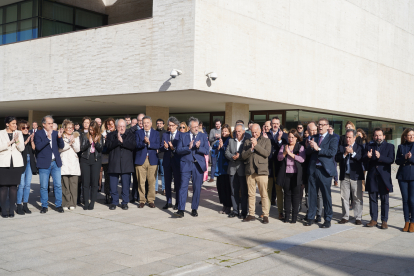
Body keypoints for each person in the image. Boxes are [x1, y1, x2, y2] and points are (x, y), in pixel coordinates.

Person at [305, 118, 338, 228]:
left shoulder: (333, 138)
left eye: (322, 125)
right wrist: (309, 146)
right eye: (318, 125)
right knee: (312, 194)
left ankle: (327, 218)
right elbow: (308, 153)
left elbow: (331, 152)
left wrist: (318, 148)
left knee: (326, 196)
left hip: (325, 171)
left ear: (327, 126)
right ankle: (310, 217)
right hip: (313, 169)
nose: (319, 127)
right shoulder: (313, 137)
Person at [174, 117, 209, 218]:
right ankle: (181, 210)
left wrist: (199, 147)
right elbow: (178, 150)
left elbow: (206, 150)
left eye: (197, 127)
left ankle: (194, 208)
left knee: (197, 188)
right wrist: (188, 148)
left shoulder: (203, 136)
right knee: (183, 187)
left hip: (198, 165)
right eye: (194, 127)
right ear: (189, 127)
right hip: (186, 164)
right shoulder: (182, 136)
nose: (196, 129)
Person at [364, 128, 395, 229]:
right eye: (376, 136)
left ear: (384, 136)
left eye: (380, 135)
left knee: (384, 199)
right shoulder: (369, 146)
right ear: (373, 137)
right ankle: (373, 219)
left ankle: (384, 221)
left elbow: (391, 159)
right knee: (372, 199)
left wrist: (380, 157)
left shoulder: (390, 146)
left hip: (384, 177)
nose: (378, 137)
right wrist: (368, 157)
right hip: (372, 176)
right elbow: (364, 160)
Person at [241, 124, 271, 223]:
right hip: (250, 171)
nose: (254, 134)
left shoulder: (266, 140)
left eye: (256, 132)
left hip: (262, 171)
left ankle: (265, 215)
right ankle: (251, 214)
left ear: (260, 130)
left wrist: (256, 145)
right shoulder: (247, 141)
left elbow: (266, 153)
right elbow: (243, 156)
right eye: (252, 132)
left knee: (263, 194)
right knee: (251, 194)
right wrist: (251, 149)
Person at [34, 115, 65, 214]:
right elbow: (38, 147)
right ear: (43, 124)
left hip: (55, 162)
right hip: (44, 163)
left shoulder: (56, 133)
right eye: (49, 123)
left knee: (58, 185)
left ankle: (59, 205)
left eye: (52, 123)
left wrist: (59, 137)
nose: (51, 125)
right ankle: (44, 206)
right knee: (43, 186)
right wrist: (47, 138)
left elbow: (62, 146)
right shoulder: (38, 133)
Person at [335, 129, 364, 225]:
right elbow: (336, 158)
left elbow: (362, 159)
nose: (347, 139)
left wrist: (353, 153)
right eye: (346, 137)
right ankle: (345, 216)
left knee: (357, 197)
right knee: (344, 197)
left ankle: (358, 217)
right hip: (345, 175)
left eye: (350, 137)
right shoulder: (341, 147)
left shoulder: (359, 147)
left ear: (354, 138)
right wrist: (345, 154)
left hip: (356, 176)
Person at [106, 119, 136, 210]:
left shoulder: (130, 135)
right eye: (120, 126)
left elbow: (133, 146)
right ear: (116, 127)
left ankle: (124, 202)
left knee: (126, 185)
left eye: (123, 126)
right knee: (113, 185)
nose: (122, 128)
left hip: (126, 164)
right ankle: (114, 202)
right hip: (114, 164)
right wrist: (117, 141)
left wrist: (122, 141)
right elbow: (108, 146)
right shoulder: (111, 135)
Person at [277, 129, 305, 224]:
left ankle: (294, 217)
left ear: (296, 138)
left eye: (293, 137)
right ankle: (287, 216)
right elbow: (279, 158)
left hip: (296, 175)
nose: (291, 139)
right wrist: (285, 153)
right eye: (289, 137)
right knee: (287, 195)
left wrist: (290, 154)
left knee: (296, 196)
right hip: (286, 174)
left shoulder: (300, 147)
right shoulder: (284, 146)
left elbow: (301, 159)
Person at [0, 117, 25, 218]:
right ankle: (3, 210)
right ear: (7, 124)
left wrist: (17, 140)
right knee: (3, 187)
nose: (15, 125)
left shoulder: (19, 133)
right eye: (13, 123)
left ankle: (11, 209)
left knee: (14, 187)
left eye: (16, 123)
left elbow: (21, 148)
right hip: (3, 163)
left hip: (16, 164)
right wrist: (10, 142)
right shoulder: (0, 133)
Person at [135, 116, 159, 208]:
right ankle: (142, 200)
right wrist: (144, 143)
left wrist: (149, 143)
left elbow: (158, 145)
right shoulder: (138, 133)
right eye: (144, 122)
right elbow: (136, 145)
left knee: (152, 181)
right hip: (141, 160)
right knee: (141, 181)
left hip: (152, 160)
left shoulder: (156, 133)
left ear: (151, 123)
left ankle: (151, 200)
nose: (146, 124)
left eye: (147, 122)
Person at [225, 124, 248, 219]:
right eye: (236, 131)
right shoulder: (231, 141)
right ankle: (235, 211)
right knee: (233, 191)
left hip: (242, 169)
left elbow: (248, 154)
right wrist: (232, 157)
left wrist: (240, 156)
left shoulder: (246, 142)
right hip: (232, 169)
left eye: (239, 131)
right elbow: (226, 152)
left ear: (243, 131)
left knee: (243, 192)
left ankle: (244, 212)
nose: (237, 133)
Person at [267, 116, 288, 219]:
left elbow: (285, 148)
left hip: (279, 167)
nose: (275, 125)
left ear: (279, 125)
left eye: (277, 123)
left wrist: (279, 140)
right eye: (273, 123)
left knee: (279, 190)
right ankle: (265, 212)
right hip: (268, 166)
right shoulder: (266, 135)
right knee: (268, 190)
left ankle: (280, 212)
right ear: (271, 124)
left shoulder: (285, 135)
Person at [79, 121, 103, 210]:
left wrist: (96, 142)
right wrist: (89, 143)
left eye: (93, 130)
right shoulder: (84, 136)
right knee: (85, 182)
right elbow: (81, 148)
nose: (91, 132)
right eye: (90, 130)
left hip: (96, 160)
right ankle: (86, 202)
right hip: (85, 160)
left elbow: (101, 149)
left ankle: (92, 202)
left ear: (96, 130)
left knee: (94, 182)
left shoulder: (100, 137)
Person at [302, 122, 323, 221]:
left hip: (319, 169)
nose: (314, 132)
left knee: (318, 194)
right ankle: (310, 212)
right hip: (308, 170)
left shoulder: (321, 140)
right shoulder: (304, 141)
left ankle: (318, 214)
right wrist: (307, 147)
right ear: (308, 131)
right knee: (308, 193)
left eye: (315, 130)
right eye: (311, 130)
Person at [15, 120, 37, 215]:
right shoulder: (18, 136)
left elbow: (34, 149)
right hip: (21, 162)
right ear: (20, 128)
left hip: (30, 161)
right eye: (23, 128)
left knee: (28, 185)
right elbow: (19, 149)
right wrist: (26, 141)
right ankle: (19, 205)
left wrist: (31, 141)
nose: (26, 129)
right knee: (21, 185)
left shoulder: (31, 136)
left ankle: (25, 204)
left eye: (27, 127)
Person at [160, 117, 182, 209]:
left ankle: (177, 203)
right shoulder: (165, 135)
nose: (171, 127)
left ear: (176, 126)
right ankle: (168, 202)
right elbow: (160, 147)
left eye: (172, 125)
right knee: (167, 182)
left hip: (177, 162)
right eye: (169, 125)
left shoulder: (181, 135)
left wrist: (173, 148)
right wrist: (165, 147)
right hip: (167, 162)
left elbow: (182, 149)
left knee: (177, 184)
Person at [59, 119, 80, 211]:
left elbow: (78, 149)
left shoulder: (76, 136)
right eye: (68, 128)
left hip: (73, 164)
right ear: (64, 128)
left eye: (72, 128)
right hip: (64, 163)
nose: (70, 130)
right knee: (65, 185)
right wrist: (69, 143)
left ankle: (72, 203)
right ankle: (65, 203)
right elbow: (60, 149)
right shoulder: (61, 137)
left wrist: (73, 142)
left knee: (73, 186)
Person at [395, 128, 414, 232]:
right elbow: (397, 161)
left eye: (413, 135)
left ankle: (413, 222)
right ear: (405, 137)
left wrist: (410, 158)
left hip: (413, 176)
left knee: (412, 200)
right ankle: (406, 221)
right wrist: (405, 157)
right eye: (409, 135)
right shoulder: (401, 146)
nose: (411, 137)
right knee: (405, 200)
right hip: (402, 176)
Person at [213, 124, 232, 214]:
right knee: (220, 188)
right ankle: (224, 205)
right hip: (219, 169)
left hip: (226, 169)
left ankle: (228, 206)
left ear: (229, 132)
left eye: (225, 131)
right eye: (223, 131)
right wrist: (218, 147)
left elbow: (229, 153)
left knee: (227, 188)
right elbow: (214, 153)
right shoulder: (219, 140)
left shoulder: (230, 140)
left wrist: (223, 147)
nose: (224, 133)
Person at [102, 118, 115, 204]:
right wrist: (105, 139)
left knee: (113, 179)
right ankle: (107, 194)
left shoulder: (117, 133)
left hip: (114, 159)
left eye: (111, 124)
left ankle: (113, 194)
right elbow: (102, 147)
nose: (109, 126)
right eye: (108, 124)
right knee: (107, 178)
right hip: (106, 159)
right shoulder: (103, 134)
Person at [155, 119, 166, 195]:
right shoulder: (154, 132)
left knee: (163, 173)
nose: (159, 125)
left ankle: (164, 188)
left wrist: (159, 149)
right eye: (158, 123)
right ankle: (155, 189)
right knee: (154, 173)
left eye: (160, 123)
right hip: (154, 156)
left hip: (162, 156)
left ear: (163, 124)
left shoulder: (166, 133)